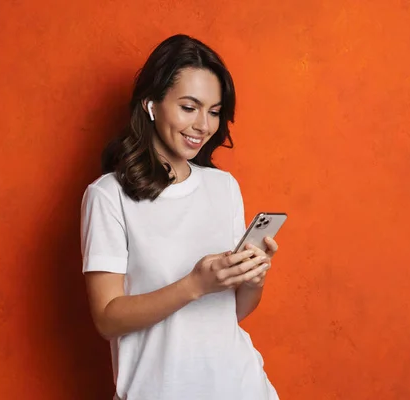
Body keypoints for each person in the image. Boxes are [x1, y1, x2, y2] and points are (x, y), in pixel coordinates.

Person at [80, 34, 280, 400]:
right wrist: (195, 285)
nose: (203, 125)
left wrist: (253, 278)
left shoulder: (223, 187)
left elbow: (231, 312)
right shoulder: (108, 196)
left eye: (215, 112)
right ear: (151, 105)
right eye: (189, 107)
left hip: (243, 387)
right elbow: (107, 318)